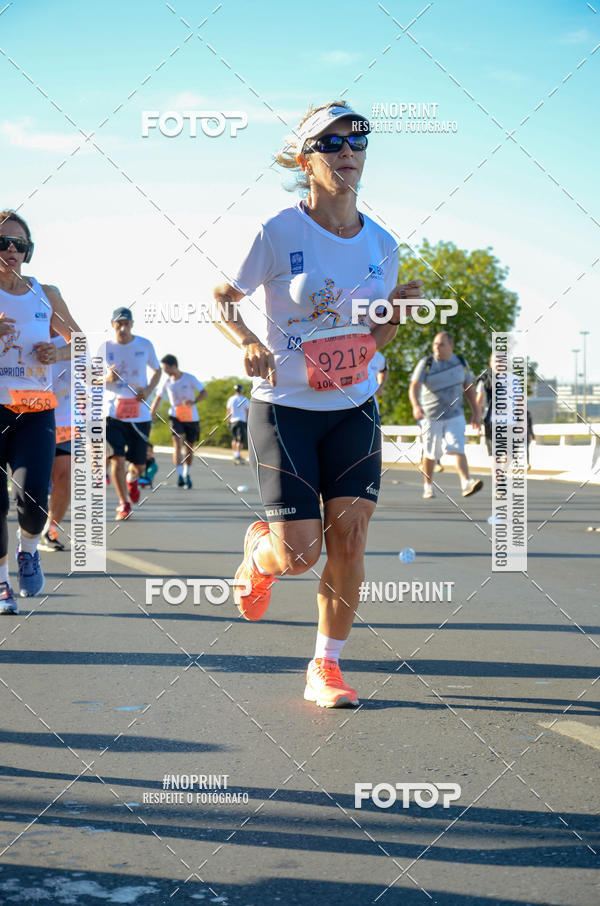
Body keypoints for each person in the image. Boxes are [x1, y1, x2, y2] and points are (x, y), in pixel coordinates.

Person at [212, 100, 423, 707]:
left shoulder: (382, 243)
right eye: (332, 143)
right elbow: (223, 298)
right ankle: (260, 552)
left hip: (354, 405)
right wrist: (248, 339)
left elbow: (373, 336)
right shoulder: (276, 231)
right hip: (285, 406)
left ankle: (324, 666)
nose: (348, 151)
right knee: (299, 556)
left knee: (350, 539)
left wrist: (396, 322)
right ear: (305, 159)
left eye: (357, 139)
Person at [0, 210, 80, 612]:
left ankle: (28, 548)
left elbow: (79, 341)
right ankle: (0, 584)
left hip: (34, 409)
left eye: (20, 245)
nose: (11, 250)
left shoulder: (44, 294)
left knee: (32, 498)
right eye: (3, 243)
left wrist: (58, 350)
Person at [101, 308, 161, 520]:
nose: (123, 327)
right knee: (117, 459)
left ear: (132, 324)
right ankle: (123, 503)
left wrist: (149, 389)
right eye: (119, 324)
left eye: (127, 323)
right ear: (112, 324)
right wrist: (107, 378)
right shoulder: (105, 347)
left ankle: (132, 479)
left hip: (139, 414)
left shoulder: (144, 345)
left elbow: (157, 370)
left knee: (139, 465)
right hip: (112, 413)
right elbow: (89, 377)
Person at [409, 332, 482, 499]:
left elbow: (468, 388)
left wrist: (476, 412)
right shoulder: (426, 363)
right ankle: (428, 486)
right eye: (435, 344)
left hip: (454, 414)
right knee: (430, 453)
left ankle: (466, 483)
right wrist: (415, 406)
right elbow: (414, 386)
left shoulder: (461, 363)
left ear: (451, 346)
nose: (437, 347)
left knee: (457, 447)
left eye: (441, 344)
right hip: (431, 415)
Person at [150, 355, 206, 488]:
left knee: (189, 447)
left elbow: (204, 392)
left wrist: (194, 401)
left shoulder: (189, 378)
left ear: (173, 366)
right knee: (177, 444)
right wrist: (151, 413)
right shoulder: (166, 382)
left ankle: (187, 474)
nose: (165, 371)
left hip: (191, 417)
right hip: (175, 416)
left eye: (166, 368)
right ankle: (180, 475)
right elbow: (158, 398)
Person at [39, 330, 72, 552]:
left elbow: (88, 375)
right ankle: (30, 529)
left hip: (65, 421)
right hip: (29, 418)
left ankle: (49, 531)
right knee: (33, 483)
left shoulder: (73, 341)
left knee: (64, 478)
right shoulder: (25, 331)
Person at [476, 353, 526, 496]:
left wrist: (522, 421)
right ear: (491, 363)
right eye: (495, 361)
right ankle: (499, 485)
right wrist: (477, 421)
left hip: (511, 422)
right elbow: (479, 402)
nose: (499, 363)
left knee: (510, 455)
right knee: (497, 456)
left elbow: (520, 402)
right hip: (492, 423)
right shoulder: (485, 380)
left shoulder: (514, 379)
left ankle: (502, 476)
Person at [226, 384, 250, 464]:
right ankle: (237, 456)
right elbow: (247, 411)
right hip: (241, 421)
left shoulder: (231, 399)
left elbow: (228, 411)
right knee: (240, 439)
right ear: (241, 390)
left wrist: (228, 421)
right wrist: (247, 420)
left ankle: (235, 455)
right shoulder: (244, 399)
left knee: (234, 438)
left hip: (232, 421)